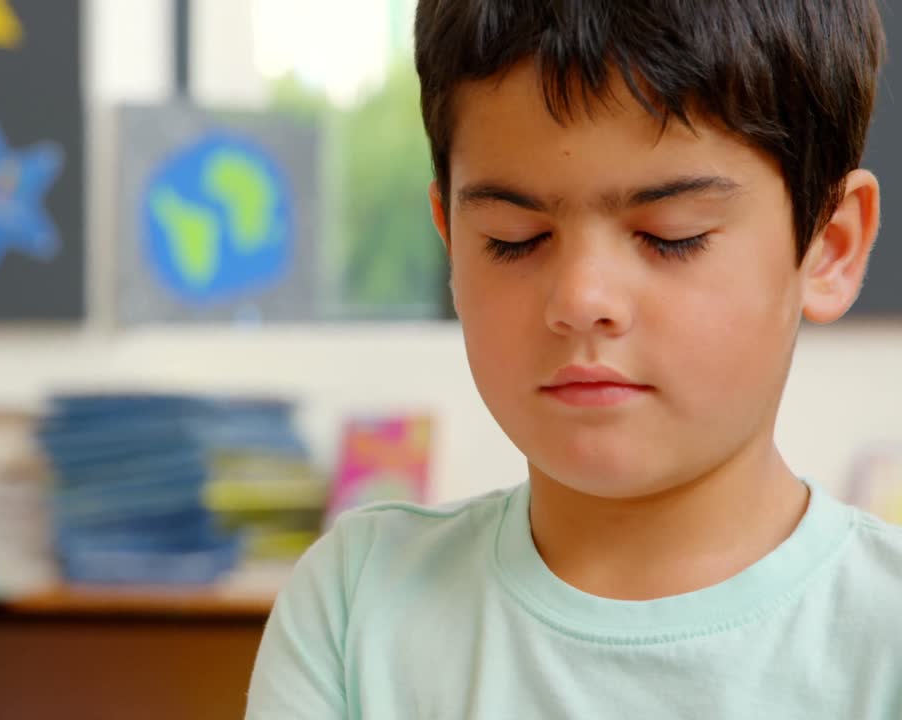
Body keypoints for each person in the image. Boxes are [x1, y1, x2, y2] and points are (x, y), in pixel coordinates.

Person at [246, 1, 900, 717]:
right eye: (514, 238)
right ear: (452, 243)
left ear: (830, 248)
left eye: (670, 236)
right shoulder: (356, 606)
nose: (581, 298)